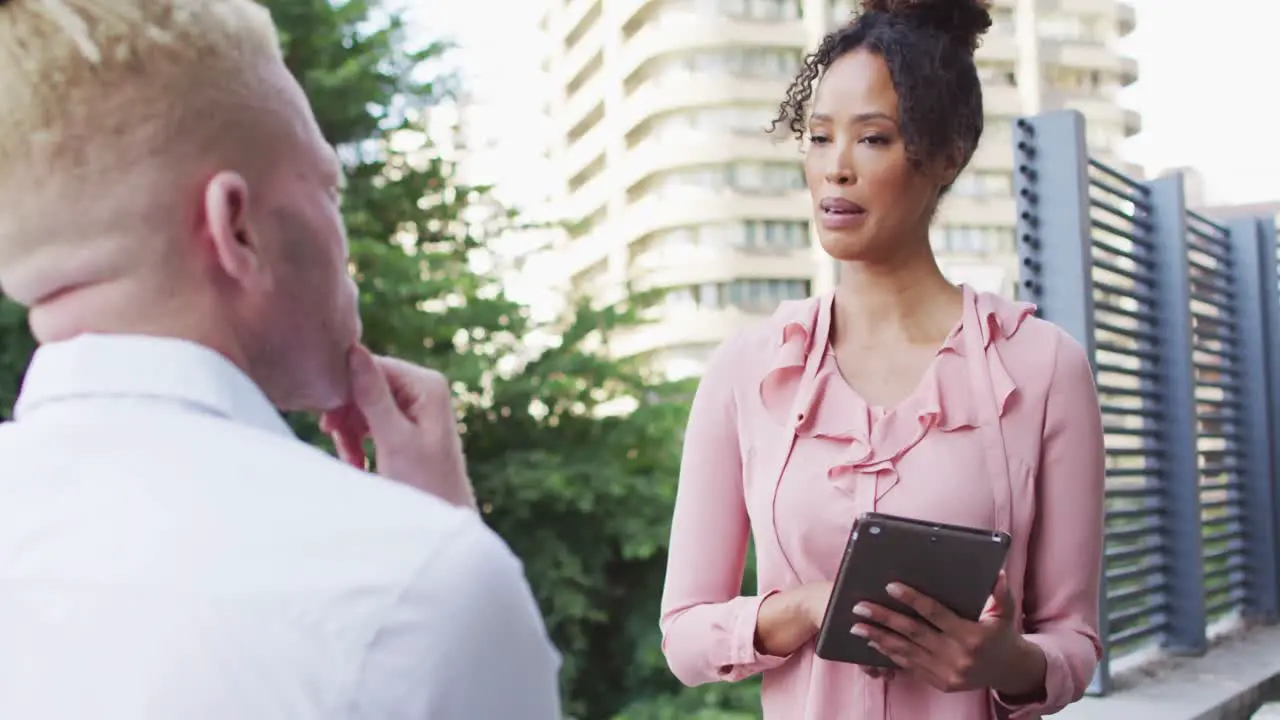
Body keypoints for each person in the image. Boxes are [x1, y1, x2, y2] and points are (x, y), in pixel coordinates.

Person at [0, 1, 561, 718]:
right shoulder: (416, 593)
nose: (342, 233)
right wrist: (439, 551)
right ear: (235, 227)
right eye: (328, 188)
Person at [658, 0, 1106, 718]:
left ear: (948, 153)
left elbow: (1075, 643)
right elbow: (683, 634)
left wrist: (1007, 661)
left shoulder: (1044, 368)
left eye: (873, 139)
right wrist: (801, 609)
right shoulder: (746, 371)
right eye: (818, 137)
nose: (835, 169)